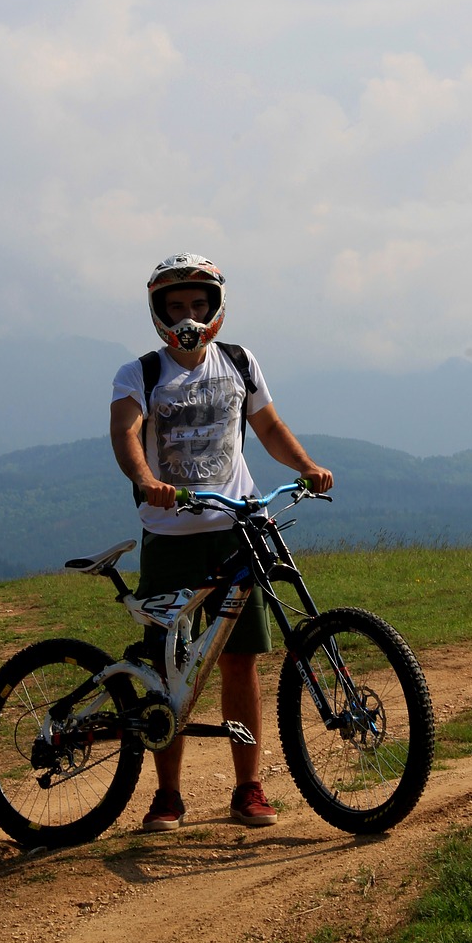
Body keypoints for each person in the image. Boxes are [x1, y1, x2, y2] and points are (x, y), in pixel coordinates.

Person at [110, 253, 333, 832]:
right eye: (176, 305)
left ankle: (248, 789)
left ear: (215, 307)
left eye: (198, 303)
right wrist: (145, 481)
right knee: (170, 665)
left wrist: (306, 465)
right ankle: (168, 796)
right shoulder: (138, 373)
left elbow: (268, 428)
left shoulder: (240, 361)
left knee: (240, 663)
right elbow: (125, 432)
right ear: (159, 312)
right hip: (171, 538)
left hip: (238, 530)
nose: (188, 315)